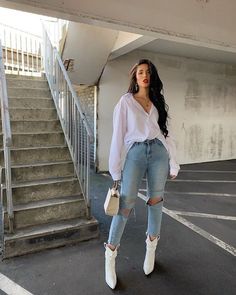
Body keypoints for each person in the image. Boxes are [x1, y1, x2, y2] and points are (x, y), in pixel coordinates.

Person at [105, 59, 180, 289]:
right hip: (136, 153)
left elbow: (166, 134)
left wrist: (173, 163)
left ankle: (151, 250)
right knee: (125, 202)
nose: (144, 75)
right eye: (140, 72)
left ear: (152, 76)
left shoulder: (156, 100)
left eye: (148, 72)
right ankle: (110, 256)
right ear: (134, 76)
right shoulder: (126, 102)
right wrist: (115, 169)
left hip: (158, 153)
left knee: (156, 201)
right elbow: (118, 136)